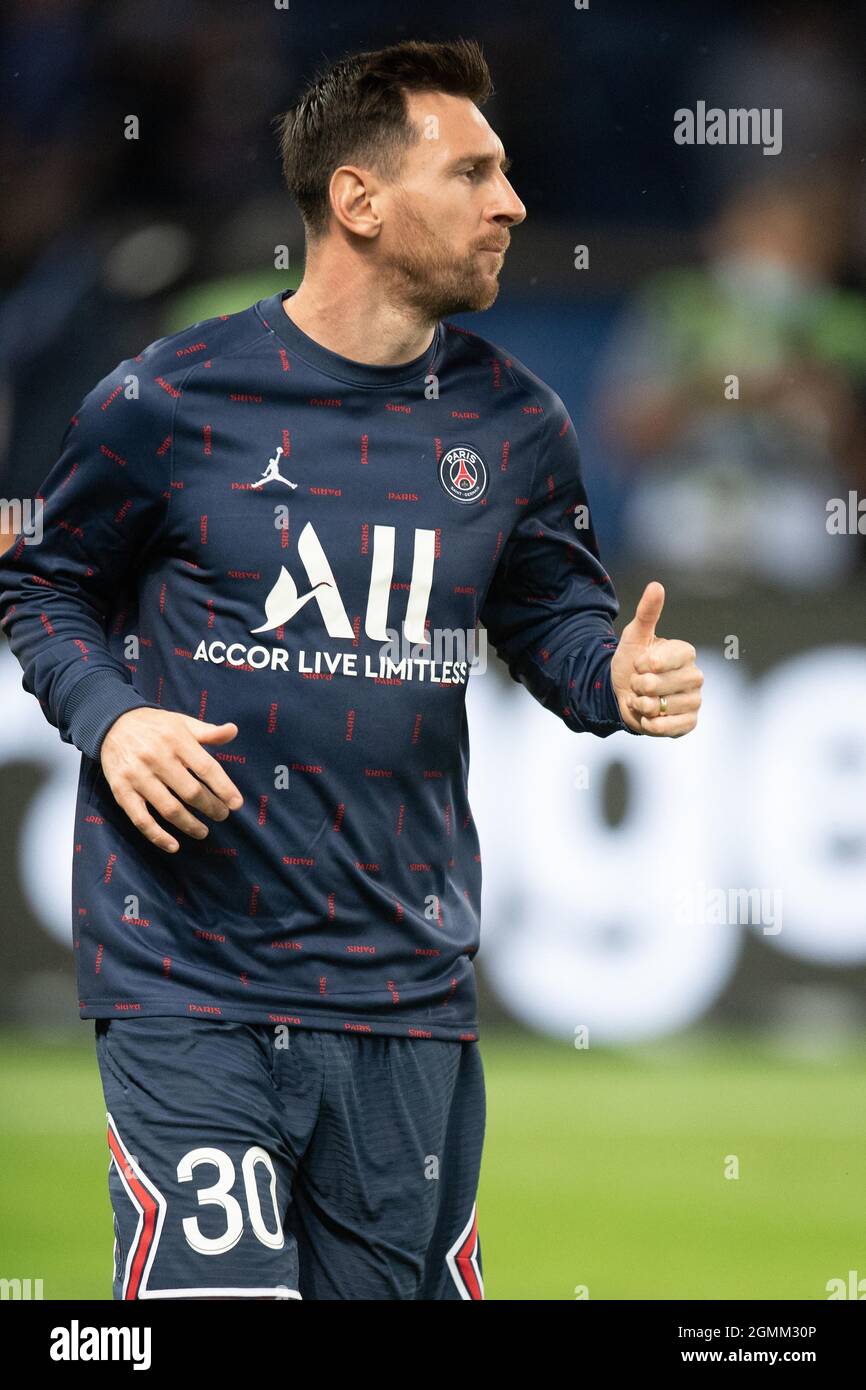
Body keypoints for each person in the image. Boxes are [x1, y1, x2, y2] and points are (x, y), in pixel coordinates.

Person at [0, 37, 702, 1301]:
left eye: (508, 173)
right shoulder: (168, 396)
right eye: (475, 171)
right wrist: (111, 720)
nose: (512, 202)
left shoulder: (518, 423)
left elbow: (555, 627)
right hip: (187, 970)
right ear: (359, 201)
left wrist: (616, 681)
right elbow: (44, 578)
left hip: (403, 986)